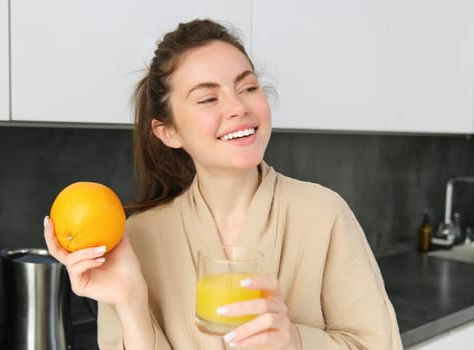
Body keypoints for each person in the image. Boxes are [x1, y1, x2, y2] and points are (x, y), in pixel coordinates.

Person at [44, 19, 403, 349]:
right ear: (167, 131)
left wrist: (294, 340)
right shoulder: (136, 240)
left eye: (247, 87)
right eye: (208, 98)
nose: (238, 107)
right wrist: (131, 303)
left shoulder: (324, 215)